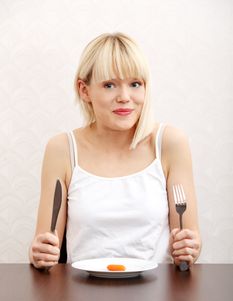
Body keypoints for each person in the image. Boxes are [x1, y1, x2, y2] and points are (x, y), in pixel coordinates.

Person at [29, 32, 201, 269]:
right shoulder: (61, 149)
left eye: (135, 84)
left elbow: (190, 242)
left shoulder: (170, 143)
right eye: (109, 85)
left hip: (156, 294)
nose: (125, 97)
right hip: (81, 293)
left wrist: (189, 247)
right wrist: (40, 253)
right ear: (84, 90)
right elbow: (45, 244)